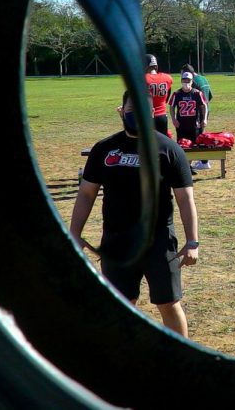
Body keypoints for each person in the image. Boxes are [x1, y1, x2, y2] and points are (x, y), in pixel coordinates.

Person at [70, 92, 199, 337]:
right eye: (131, 109)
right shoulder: (104, 149)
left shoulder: (169, 150)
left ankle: (180, 358)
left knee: (169, 304)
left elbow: (185, 198)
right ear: (121, 111)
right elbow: (86, 194)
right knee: (121, 305)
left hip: (159, 241)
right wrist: (74, 234)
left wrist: (192, 241)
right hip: (116, 242)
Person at [181, 63, 213, 170]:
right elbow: (210, 96)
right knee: (201, 135)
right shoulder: (203, 78)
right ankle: (202, 160)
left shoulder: (193, 82)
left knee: (197, 137)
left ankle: (204, 161)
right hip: (207, 108)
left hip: (198, 112)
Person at [170, 71, 208, 148]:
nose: (186, 82)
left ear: (192, 81)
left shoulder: (197, 93)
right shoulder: (176, 94)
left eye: (188, 80)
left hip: (194, 125)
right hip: (181, 125)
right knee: (182, 146)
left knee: (194, 147)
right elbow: (172, 107)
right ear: (181, 81)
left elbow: (204, 106)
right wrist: (174, 119)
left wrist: (204, 119)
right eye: (184, 80)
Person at [145, 54, 174, 135]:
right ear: (156, 66)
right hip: (162, 116)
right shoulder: (167, 78)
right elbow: (167, 97)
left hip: (148, 117)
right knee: (162, 142)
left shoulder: (143, 79)